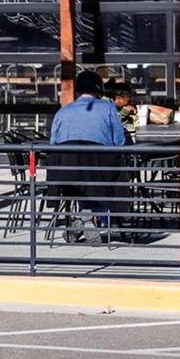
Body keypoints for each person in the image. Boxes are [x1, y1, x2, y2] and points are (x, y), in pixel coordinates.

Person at [47, 70, 126, 241]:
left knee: (82, 180)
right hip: (100, 172)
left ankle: (83, 217)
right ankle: (91, 218)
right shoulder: (108, 108)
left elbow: (54, 142)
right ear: (99, 91)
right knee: (106, 176)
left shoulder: (63, 112)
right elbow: (119, 141)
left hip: (67, 174)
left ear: (77, 91)